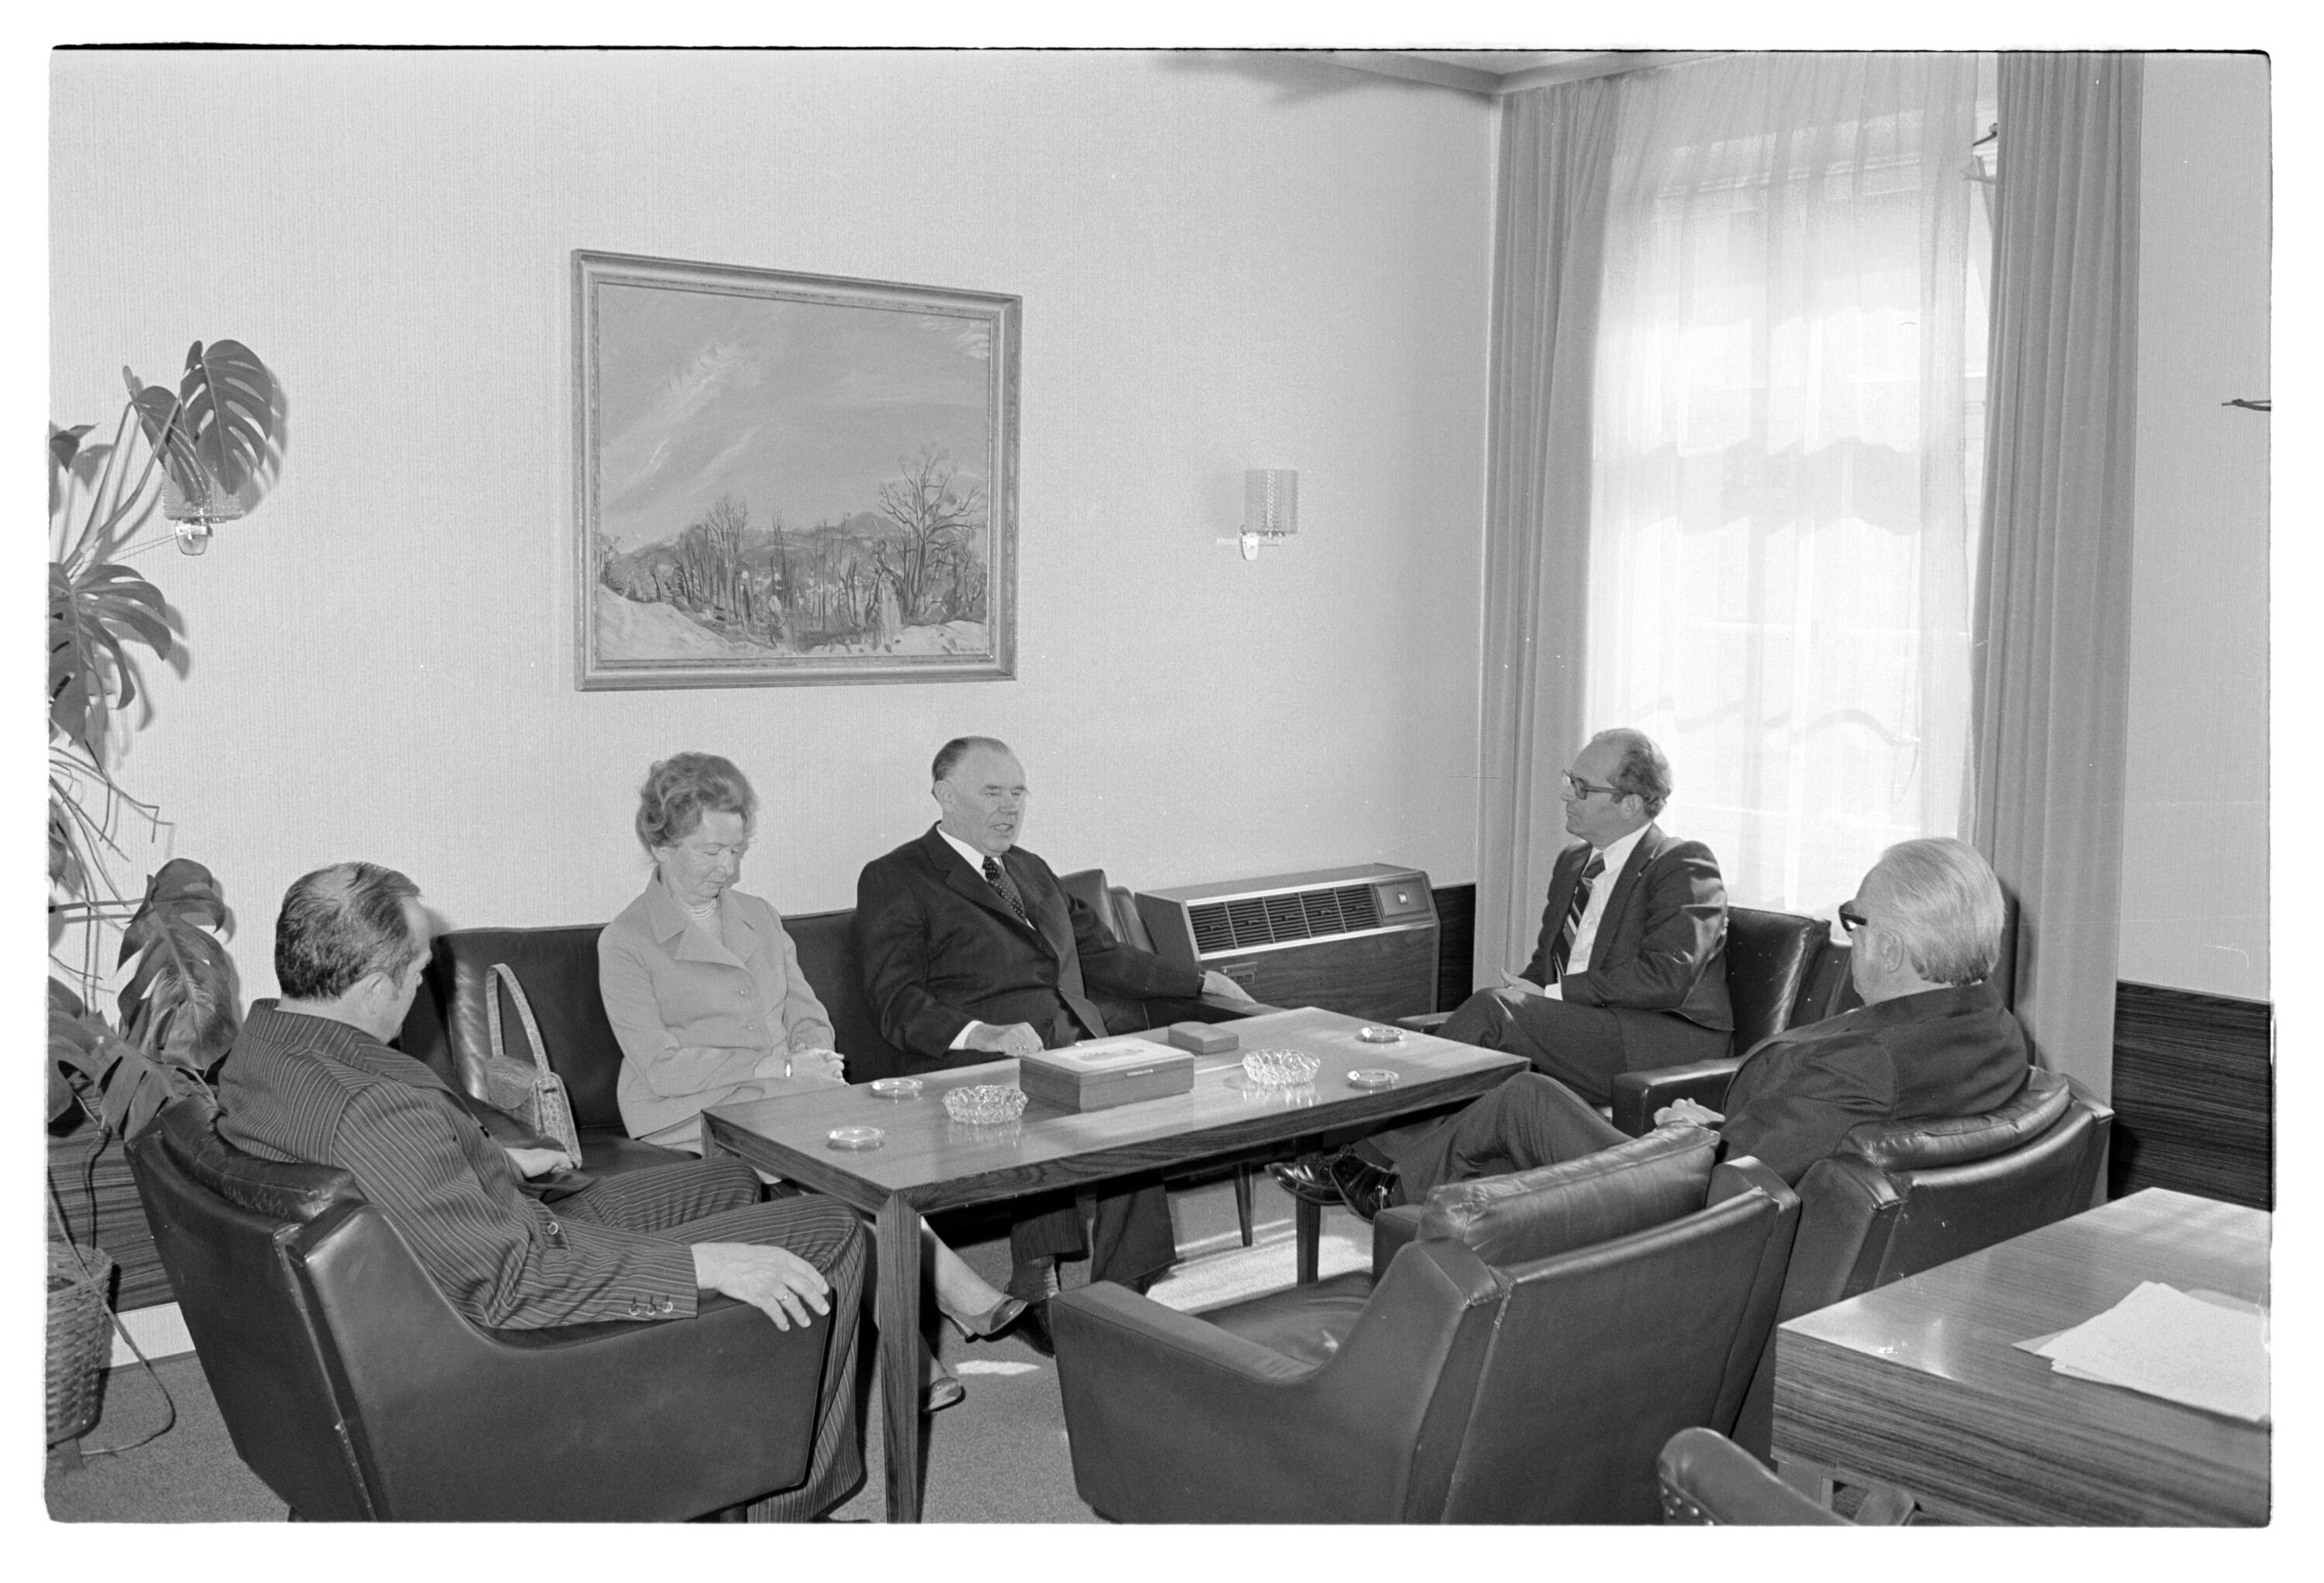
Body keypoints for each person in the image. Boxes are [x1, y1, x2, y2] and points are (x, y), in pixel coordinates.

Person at [215, 862, 866, 1521]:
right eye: (416, 973)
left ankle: (728, 1415)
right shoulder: (373, 1113)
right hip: (516, 1320)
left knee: (729, 1179)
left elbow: (389, 1171)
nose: (418, 988)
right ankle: (787, 1513)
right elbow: (510, 1286)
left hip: (494, 1231)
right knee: (829, 1232)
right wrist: (702, 1267)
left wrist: (484, 1156)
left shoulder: (263, 1050)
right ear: (375, 986)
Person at [1278, 837, 2032, 1217]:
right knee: (1503, 1137)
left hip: (1687, 1205)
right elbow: (1806, 1134)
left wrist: (1690, 1138)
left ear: (1892, 949)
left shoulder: (1868, 1059)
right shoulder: (1994, 1031)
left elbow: (1734, 1185)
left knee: (1525, 1104)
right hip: (1729, 1158)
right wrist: (1712, 1125)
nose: (1849, 934)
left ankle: (1392, 1190)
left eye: (1854, 919)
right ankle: (1404, 1189)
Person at [598, 751, 1042, 1395]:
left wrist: (812, 1054)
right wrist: (779, 1065)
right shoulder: (627, 941)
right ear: (660, 845)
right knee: (837, 1188)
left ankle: (924, 1348)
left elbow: (807, 1013)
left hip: (780, 1098)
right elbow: (661, 1067)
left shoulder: (758, 914)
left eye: (737, 850)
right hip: (688, 1113)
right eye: (710, 852)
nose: (728, 868)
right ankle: (949, 1314)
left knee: (858, 1173)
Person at [855, 735, 1256, 1302]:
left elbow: (1104, 955)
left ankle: (1123, 1292)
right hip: (972, 1063)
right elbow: (895, 1001)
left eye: (1018, 793)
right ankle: (1038, 1270)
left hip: (1071, 1047)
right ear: (945, 795)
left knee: (1130, 1102)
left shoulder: (1031, 869)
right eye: (992, 792)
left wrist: (1199, 980)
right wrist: (982, 1034)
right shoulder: (897, 876)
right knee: (1057, 1102)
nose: (1009, 808)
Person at [1444, 727, 1733, 1104]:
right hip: (1584, 1028)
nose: (1566, 794)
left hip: (1654, 1042)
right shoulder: (1573, 862)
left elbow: (1665, 977)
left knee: (1492, 1012)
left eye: (1582, 787)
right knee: (1483, 1057)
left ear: (1629, 804)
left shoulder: (1681, 863)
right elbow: (1548, 964)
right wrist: (1527, 987)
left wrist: (1553, 995)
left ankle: (1382, 1130)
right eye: (1570, 780)